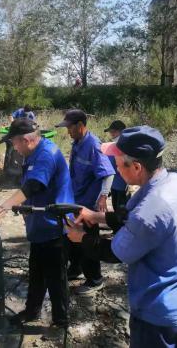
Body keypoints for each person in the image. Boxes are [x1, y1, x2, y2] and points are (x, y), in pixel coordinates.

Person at [66, 126, 177, 348]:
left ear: (137, 167)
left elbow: (116, 252)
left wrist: (80, 237)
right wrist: (95, 216)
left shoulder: (151, 209)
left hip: (159, 315)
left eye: (118, 163)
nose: (115, 168)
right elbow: (130, 217)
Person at [0, 118, 73, 327]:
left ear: (26, 140)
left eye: (14, 143)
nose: (14, 147)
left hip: (54, 226)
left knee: (56, 278)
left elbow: (32, 186)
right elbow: (31, 188)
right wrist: (23, 209)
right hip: (39, 225)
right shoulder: (33, 153)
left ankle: (61, 320)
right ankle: (32, 311)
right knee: (37, 273)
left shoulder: (46, 154)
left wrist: (2, 208)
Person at [55, 109, 115, 295]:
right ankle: (76, 269)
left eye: (70, 127)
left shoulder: (93, 145)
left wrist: (103, 196)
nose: (68, 131)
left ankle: (95, 280)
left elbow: (108, 173)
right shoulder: (77, 143)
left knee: (88, 242)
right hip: (76, 201)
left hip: (88, 206)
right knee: (73, 239)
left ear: (80, 125)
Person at [104, 120, 129, 215]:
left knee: (122, 213)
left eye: (113, 131)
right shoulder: (113, 145)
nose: (111, 134)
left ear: (122, 132)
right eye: (111, 132)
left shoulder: (126, 146)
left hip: (122, 186)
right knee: (116, 209)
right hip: (114, 185)